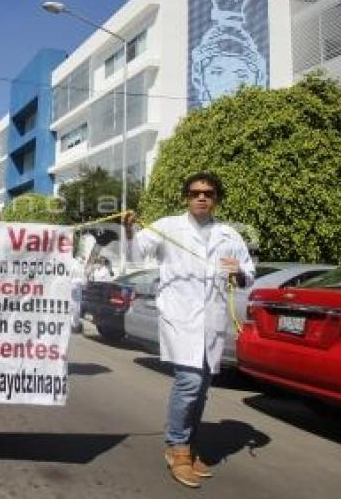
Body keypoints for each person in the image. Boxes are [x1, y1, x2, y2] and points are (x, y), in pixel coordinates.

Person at [123, 171, 254, 489]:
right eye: (195, 192)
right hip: (180, 318)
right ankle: (177, 448)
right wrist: (129, 231)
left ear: (216, 198)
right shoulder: (169, 227)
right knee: (190, 382)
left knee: (202, 388)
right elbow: (136, 253)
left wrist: (238, 271)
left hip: (211, 322)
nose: (201, 197)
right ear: (187, 197)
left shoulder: (229, 234)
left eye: (208, 193)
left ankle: (189, 446)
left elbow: (248, 272)